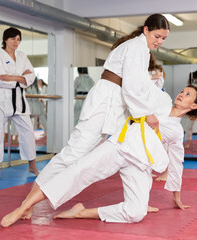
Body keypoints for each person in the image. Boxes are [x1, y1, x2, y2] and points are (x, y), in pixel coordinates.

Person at [0, 86, 197, 227]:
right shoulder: (160, 102)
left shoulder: (176, 131)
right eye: (182, 91)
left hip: (140, 165)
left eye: (188, 95)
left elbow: (176, 162)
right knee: (77, 172)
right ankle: (23, 208)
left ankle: (80, 212)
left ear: (194, 106)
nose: (182, 94)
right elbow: (135, 89)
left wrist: (176, 197)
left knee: (136, 213)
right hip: (118, 147)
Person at [36, 13, 170, 189]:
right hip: (106, 100)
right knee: (75, 151)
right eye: (157, 36)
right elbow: (132, 86)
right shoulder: (137, 47)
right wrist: (147, 113)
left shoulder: (139, 48)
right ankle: (33, 196)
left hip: (114, 101)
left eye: (164, 38)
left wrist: (152, 81)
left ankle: (138, 200)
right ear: (146, 30)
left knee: (121, 149)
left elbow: (136, 81)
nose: (160, 41)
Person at [0, 27, 39, 180]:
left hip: (18, 99)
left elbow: (31, 76)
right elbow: (1, 79)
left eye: (18, 39)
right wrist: (20, 78)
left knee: (28, 131)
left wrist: (14, 78)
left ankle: (32, 164)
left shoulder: (22, 56)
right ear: (5, 40)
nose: (16, 42)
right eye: (13, 38)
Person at [184, 70, 197, 149]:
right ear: (195, 79)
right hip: (192, 107)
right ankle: (188, 142)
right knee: (189, 126)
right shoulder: (190, 86)